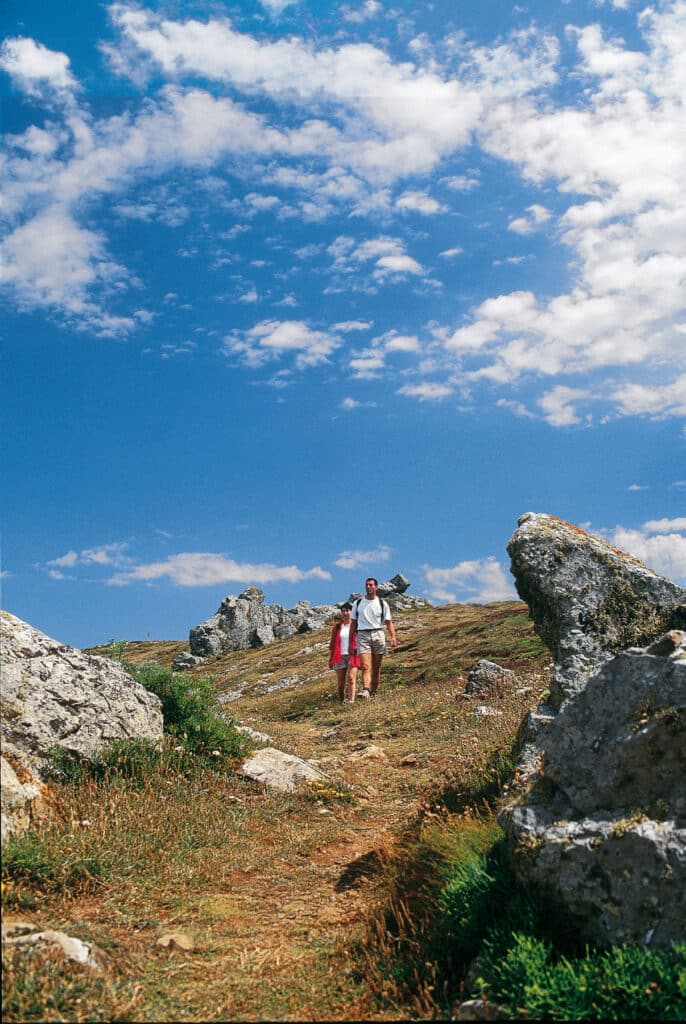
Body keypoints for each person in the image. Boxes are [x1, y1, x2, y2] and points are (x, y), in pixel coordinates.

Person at [350, 577, 397, 699]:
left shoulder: (382, 603)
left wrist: (393, 637)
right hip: (362, 635)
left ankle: (374, 692)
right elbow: (353, 623)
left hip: (378, 634)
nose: (368, 587)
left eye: (371, 585)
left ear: (376, 587)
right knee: (365, 666)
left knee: (376, 668)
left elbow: (388, 622)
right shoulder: (358, 603)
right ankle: (366, 690)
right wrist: (351, 641)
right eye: (367, 585)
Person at [328, 602, 360, 703]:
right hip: (339, 656)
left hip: (353, 655)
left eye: (347, 611)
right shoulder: (337, 627)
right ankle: (341, 700)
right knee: (341, 682)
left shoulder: (357, 625)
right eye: (343, 611)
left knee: (351, 678)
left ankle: (351, 701)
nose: (345, 613)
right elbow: (332, 644)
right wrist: (330, 659)